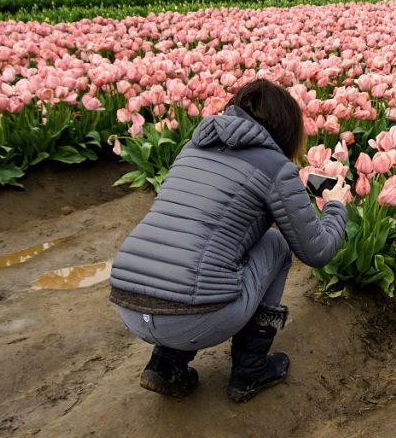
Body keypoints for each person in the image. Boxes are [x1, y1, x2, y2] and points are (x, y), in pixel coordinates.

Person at [109, 79, 349, 402]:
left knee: (199, 246)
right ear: (287, 129)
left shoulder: (192, 148)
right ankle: (250, 371)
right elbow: (317, 251)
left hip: (130, 303)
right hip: (193, 318)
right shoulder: (275, 167)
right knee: (276, 247)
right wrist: (335, 205)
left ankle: (166, 363)